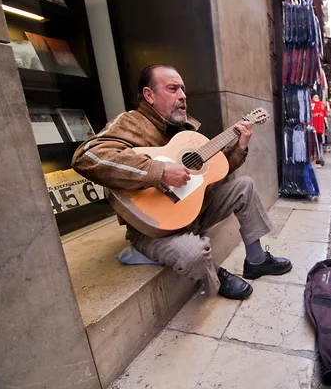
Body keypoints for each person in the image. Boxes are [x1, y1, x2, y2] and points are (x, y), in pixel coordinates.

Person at [72, 65, 292, 300]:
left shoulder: (185, 129)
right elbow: (87, 157)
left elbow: (212, 171)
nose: (183, 95)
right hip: (152, 229)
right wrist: (159, 171)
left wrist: (239, 146)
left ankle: (257, 261)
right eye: (173, 88)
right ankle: (213, 274)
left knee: (244, 186)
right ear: (149, 95)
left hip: (191, 211)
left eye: (183, 90)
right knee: (193, 253)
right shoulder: (130, 123)